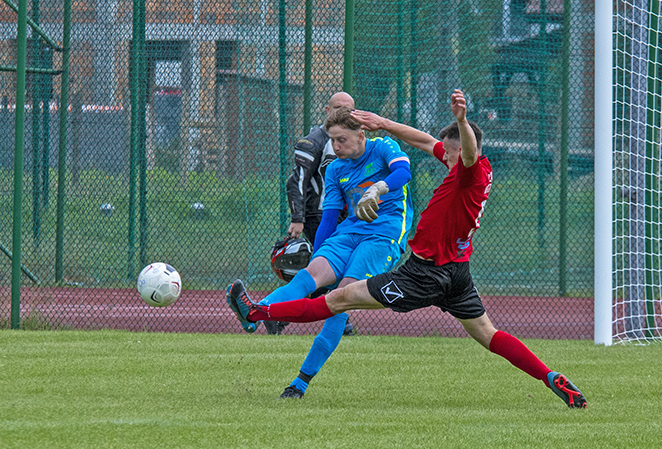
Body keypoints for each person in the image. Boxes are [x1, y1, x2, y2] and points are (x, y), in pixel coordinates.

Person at [227, 89, 587, 408]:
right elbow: (424, 141)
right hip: (457, 271)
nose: (440, 156)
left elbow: (465, 152)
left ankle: (258, 315)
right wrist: (385, 122)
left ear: (462, 151)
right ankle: (549, 376)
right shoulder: (465, 165)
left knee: (338, 300)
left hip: (424, 273)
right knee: (488, 334)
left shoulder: (469, 169)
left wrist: (461, 120)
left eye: (448, 153)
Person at [227, 106, 415, 399]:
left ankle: (299, 383)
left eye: (342, 140)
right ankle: (253, 312)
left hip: (384, 234)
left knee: (342, 295)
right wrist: (320, 251)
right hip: (349, 232)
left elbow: (403, 172)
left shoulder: (383, 148)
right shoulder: (336, 169)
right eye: (332, 141)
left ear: (361, 134)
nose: (336, 147)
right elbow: (329, 216)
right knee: (308, 276)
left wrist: (379, 188)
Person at [264, 92, 356, 336]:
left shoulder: (356, 139)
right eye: (337, 108)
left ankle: (278, 314)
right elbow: (297, 181)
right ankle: (336, 321)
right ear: (327, 110)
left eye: (348, 109)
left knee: (331, 270)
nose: (342, 113)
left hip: (346, 216)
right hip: (320, 215)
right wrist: (298, 218)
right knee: (329, 269)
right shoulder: (315, 140)